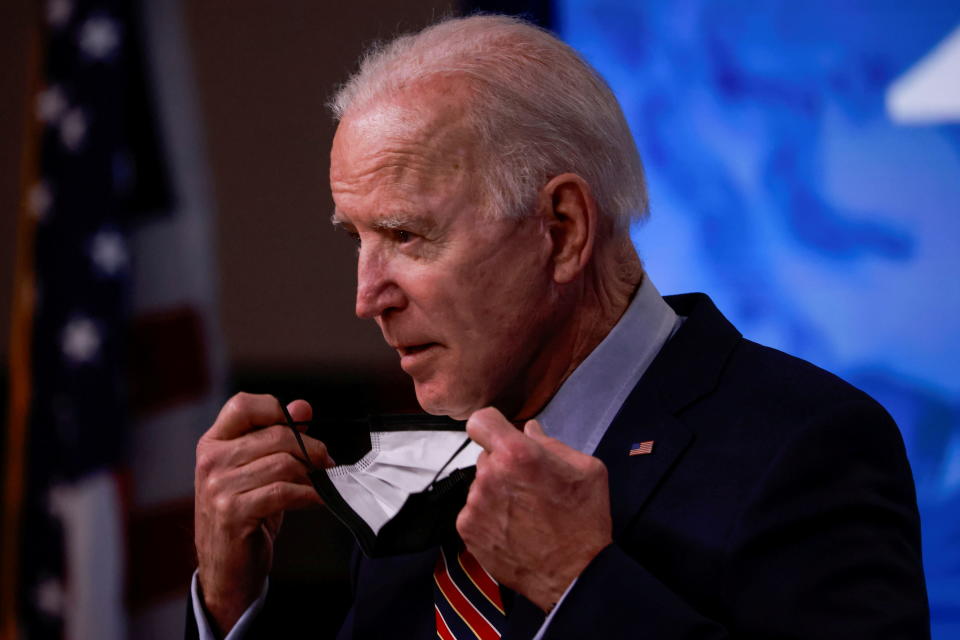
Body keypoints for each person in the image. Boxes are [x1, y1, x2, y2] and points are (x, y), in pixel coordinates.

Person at [187, 15, 930, 640]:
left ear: (563, 228)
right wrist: (228, 604)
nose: (367, 297)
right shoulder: (417, 483)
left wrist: (578, 582)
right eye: (358, 240)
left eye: (407, 236)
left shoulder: (808, 445)